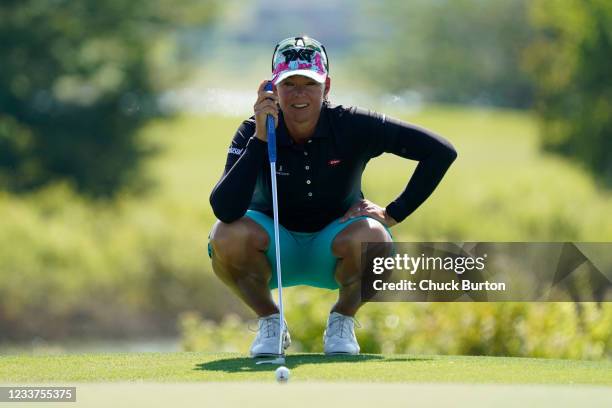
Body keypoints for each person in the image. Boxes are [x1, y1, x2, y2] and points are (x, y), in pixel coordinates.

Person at [208, 36, 457, 357]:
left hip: (334, 245)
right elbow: (225, 209)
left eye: (309, 84)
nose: (299, 94)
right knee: (225, 235)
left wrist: (395, 212)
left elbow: (440, 152)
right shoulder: (252, 130)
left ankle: (342, 321)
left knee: (374, 235)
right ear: (272, 89)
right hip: (273, 247)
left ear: (326, 86)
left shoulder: (352, 124)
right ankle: (271, 322)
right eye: (289, 84)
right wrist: (259, 137)